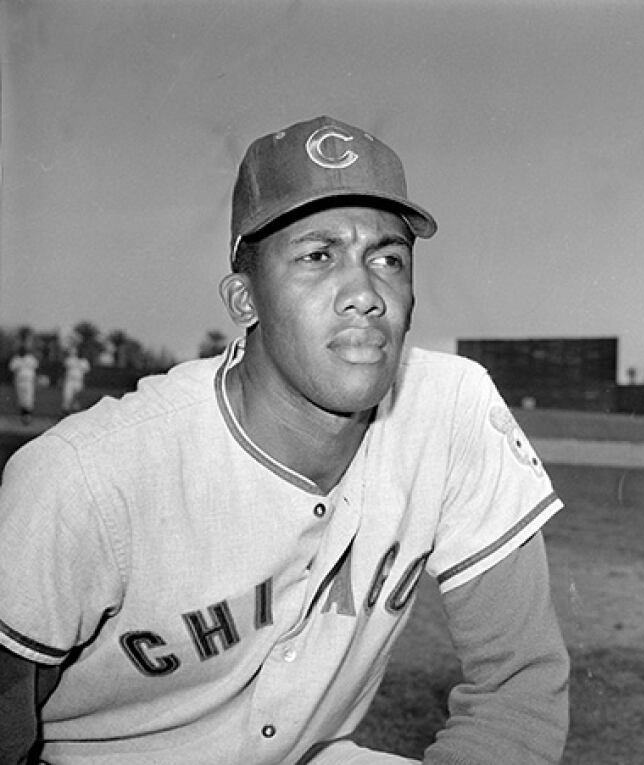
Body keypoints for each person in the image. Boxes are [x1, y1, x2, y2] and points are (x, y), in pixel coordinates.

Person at [0, 115, 569, 764]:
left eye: (387, 257)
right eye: (317, 256)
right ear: (244, 299)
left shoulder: (453, 409)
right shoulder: (85, 477)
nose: (363, 293)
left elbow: (517, 687)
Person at [8, 336, 39, 424]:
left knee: (29, 398)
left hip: (29, 382)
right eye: (21, 349)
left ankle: (28, 416)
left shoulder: (31, 358)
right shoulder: (16, 359)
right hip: (19, 382)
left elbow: (36, 369)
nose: (22, 350)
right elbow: (12, 369)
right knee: (21, 399)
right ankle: (23, 417)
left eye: (24, 349)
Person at [60, 346, 91, 416]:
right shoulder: (69, 360)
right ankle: (64, 415)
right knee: (67, 398)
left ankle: (76, 416)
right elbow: (64, 367)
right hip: (69, 381)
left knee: (76, 399)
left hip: (78, 381)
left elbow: (87, 372)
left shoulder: (84, 362)